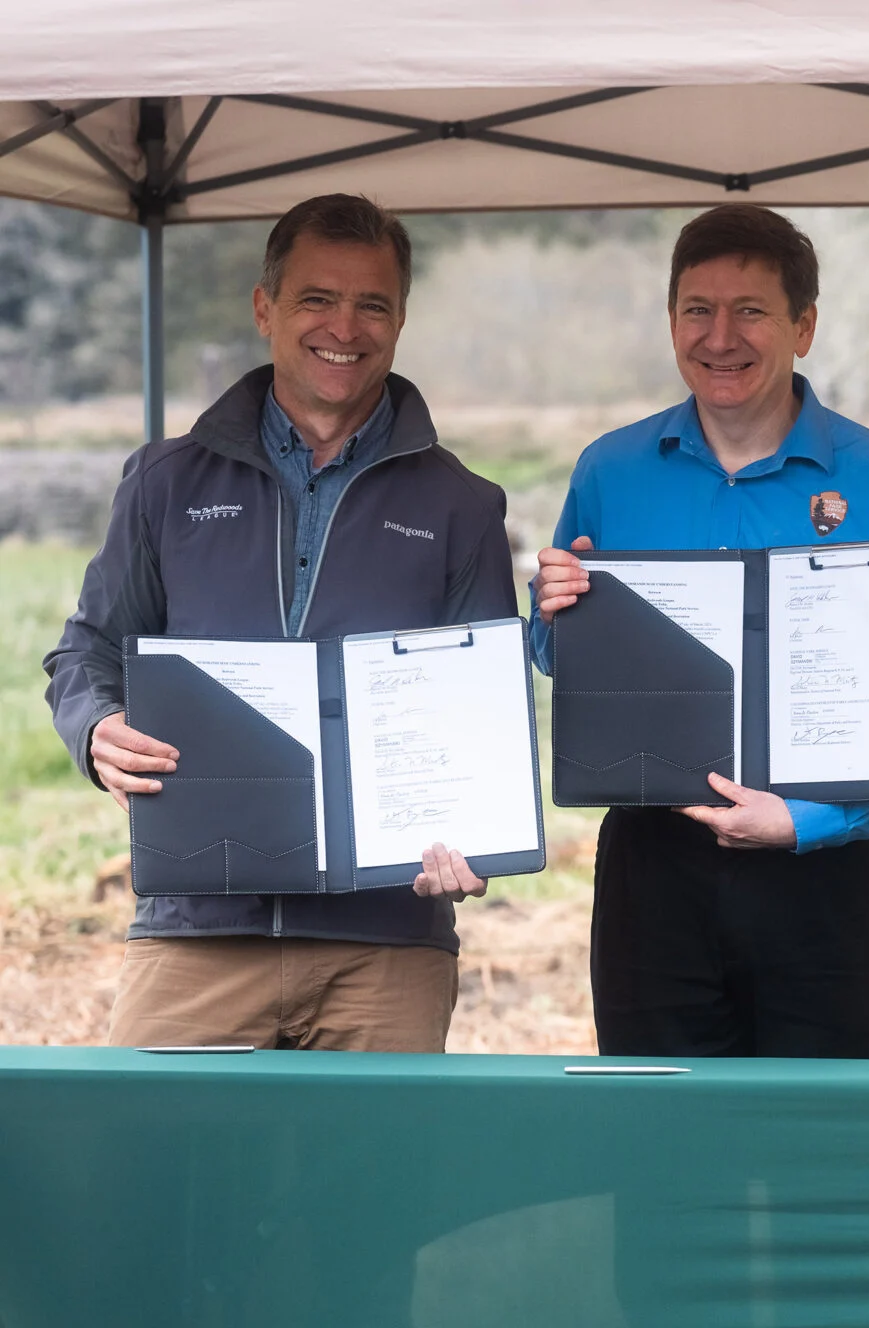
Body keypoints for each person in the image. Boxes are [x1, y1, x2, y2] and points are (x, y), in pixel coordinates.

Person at [44, 194, 517, 1052]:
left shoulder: (463, 507)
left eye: (373, 303)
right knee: (160, 1174)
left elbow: (480, 712)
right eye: (315, 298)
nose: (345, 325)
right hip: (197, 926)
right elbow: (88, 648)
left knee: (374, 1184)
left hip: (387, 941)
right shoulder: (163, 483)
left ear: (401, 319)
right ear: (265, 308)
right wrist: (97, 727)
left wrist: (476, 832)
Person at [530, 204, 869, 1060]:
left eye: (752, 311)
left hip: (827, 876)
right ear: (670, 321)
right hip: (653, 874)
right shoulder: (609, 471)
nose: (720, 336)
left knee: (832, 1165)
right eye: (698, 309)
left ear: (804, 327)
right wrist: (550, 615)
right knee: (664, 1153)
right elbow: (560, 657)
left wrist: (805, 823)